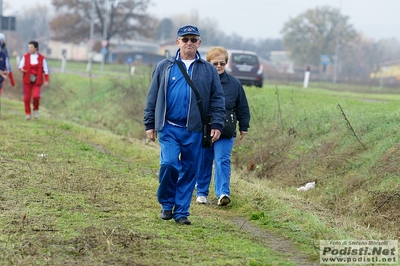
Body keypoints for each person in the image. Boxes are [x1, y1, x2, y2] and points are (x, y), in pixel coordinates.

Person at [143, 25, 225, 225]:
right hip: (169, 127)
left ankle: (181, 212)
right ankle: (166, 204)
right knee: (169, 164)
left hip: (194, 130)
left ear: (199, 43)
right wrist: (150, 123)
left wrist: (217, 123)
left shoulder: (208, 70)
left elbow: (217, 99)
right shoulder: (164, 66)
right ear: (177, 42)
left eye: (193, 39)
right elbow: (152, 97)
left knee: (190, 170)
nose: (189, 43)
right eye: (185, 39)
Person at [196, 46, 250, 206]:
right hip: (204, 128)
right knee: (204, 160)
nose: (219, 66)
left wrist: (244, 126)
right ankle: (201, 192)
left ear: (226, 63)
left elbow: (243, 106)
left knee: (222, 160)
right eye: (215, 63)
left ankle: (223, 193)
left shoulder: (234, 84)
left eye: (222, 63)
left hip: (225, 129)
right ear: (208, 64)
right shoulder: (201, 82)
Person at [18, 41, 50, 120]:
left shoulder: (42, 58)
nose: (29, 49)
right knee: (26, 98)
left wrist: (46, 80)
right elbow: (20, 66)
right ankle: (28, 113)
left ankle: (35, 109)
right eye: (28, 47)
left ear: (36, 48)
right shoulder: (25, 57)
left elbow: (46, 70)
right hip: (27, 80)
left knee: (36, 96)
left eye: (31, 47)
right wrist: (22, 70)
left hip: (37, 80)